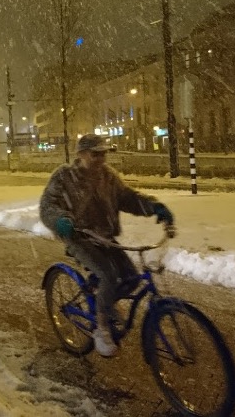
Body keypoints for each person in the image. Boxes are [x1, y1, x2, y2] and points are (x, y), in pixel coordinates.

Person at [38, 134, 174, 357]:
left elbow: (127, 197)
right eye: (95, 154)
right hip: (80, 237)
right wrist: (61, 221)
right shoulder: (64, 176)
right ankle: (101, 328)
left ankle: (104, 301)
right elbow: (47, 206)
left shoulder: (108, 177)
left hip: (105, 237)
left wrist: (153, 207)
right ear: (81, 155)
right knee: (108, 275)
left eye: (104, 154)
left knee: (130, 278)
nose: (101, 159)